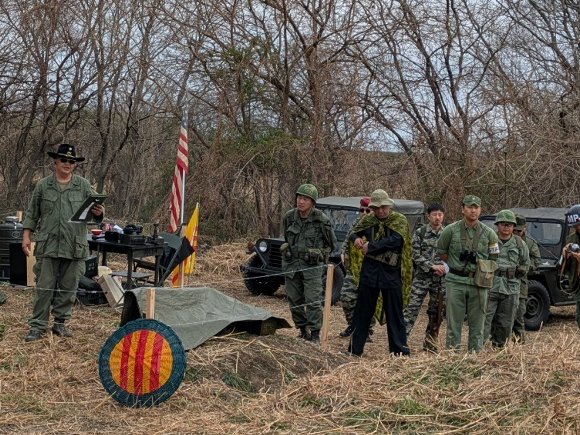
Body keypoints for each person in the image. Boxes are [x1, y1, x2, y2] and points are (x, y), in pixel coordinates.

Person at [22, 144, 104, 342]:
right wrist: (26, 236)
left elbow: (96, 209)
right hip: (48, 244)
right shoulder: (43, 185)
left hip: (74, 244)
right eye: (64, 160)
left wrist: (99, 212)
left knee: (69, 287)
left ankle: (60, 323)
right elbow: (32, 213)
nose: (68, 164)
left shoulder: (83, 185)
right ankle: (38, 325)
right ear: (55, 162)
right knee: (44, 287)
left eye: (72, 161)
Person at [346, 189, 412, 357]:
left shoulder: (399, 220)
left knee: (395, 313)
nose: (381, 211)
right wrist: (356, 239)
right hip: (370, 271)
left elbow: (396, 240)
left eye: (384, 207)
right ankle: (355, 349)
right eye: (377, 208)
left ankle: (399, 350)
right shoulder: (368, 220)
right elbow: (353, 232)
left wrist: (371, 247)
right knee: (362, 311)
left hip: (391, 272)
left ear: (389, 206)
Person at [437, 195, 499, 352]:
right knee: (453, 322)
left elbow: (493, 258)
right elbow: (442, 253)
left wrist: (479, 263)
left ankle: (474, 355)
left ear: (480, 209)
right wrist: (456, 264)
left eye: (476, 207)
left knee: (478, 323)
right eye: (470, 207)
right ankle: (452, 354)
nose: (473, 210)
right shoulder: (450, 230)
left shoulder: (489, 233)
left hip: (478, 283)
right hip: (455, 281)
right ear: (462, 209)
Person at [281, 183, 336, 343]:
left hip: (312, 267)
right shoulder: (289, 217)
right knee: (294, 300)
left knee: (313, 300)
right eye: (299, 198)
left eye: (305, 199)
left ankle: (315, 334)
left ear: (312, 202)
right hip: (292, 265)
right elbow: (286, 237)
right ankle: (302, 330)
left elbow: (331, 245)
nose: (301, 202)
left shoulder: (321, 220)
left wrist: (318, 254)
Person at [403, 203, 446, 351]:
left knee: (436, 313)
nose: (437, 217)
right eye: (434, 214)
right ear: (428, 216)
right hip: (421, 279)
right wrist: (431, 266)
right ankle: (401, 341)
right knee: (411, 309)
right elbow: (414, 255)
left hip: (439, 281)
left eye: (440, 214)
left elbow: (453, 256)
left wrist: (444, 269)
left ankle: (430, 343)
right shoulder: (420, 233)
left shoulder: (448, 234)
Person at [483, 210, 529, 348]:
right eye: (503, 224)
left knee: (506, 322)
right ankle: (478, 348)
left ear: (513, 226)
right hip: (490, 285)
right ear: (497, 225)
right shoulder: (489, 240)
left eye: (509, 224)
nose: (506, 227)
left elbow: (526, 264)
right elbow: (481, 259)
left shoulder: (520, 244)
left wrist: (517, 272)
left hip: (511, 287)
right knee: (484, 319)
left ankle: (499, 348)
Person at [339, 196, 376, 340]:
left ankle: (366, 329)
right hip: (353, 270)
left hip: (370, 270)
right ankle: (352, 325)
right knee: (346, 297)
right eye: (362, 210)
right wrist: (344, 252)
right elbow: (347, 240)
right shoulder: (355, 224)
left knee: (368, 301)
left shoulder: (376, 226)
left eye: (368, 210)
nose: (364, 213)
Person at [512, 214, 542, 343]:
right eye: (514, 230)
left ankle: (519, 341)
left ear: (525, 228)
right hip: (503, 281)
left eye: (519, 231)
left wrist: (524, 267)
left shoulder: (530, 243)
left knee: (519, 313)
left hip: (521, 281)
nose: (516, 233)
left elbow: (536, 260)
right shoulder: (505, 240)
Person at [562, 204, 580, 329]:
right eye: (574, 226)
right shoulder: (571, 239)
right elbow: (566, 267)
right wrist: (565, 256)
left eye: (578, 225)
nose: (577, 228)